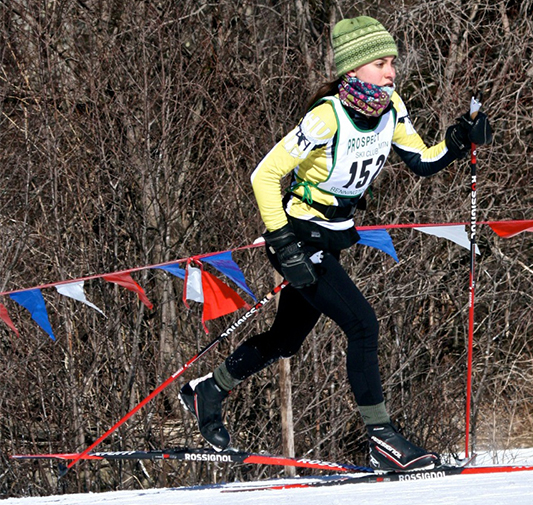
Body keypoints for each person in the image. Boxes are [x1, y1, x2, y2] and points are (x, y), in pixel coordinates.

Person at [179, 16, 491, 472]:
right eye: (381, 63)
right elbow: (264, 176)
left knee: (286, 340)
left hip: (330, 238)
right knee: (363, 325)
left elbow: (423, 160)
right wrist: (282, 243)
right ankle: (381, 438)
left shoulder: (391, 109)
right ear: (353, 70)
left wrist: (459, 139)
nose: (391, 72)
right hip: (299, 236)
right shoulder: (326, 117)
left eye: (392, 63)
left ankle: (209, 389)